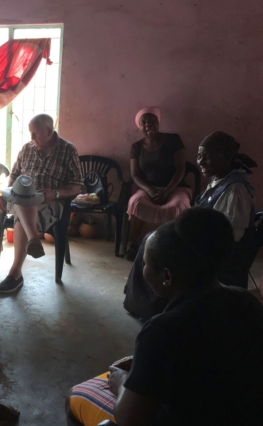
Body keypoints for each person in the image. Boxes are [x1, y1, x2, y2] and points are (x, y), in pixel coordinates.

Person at [68, 208, 263, 426]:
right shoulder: (248, 302)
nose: (142, 269)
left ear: (166, 276)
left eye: (145, 263)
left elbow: (130, 419)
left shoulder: (163, 330)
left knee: (76, 396)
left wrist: (122, 382)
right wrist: (146, 363)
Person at [123, 131, 257, 320]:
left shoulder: (235, 189)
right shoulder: (220, 179)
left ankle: (154, 307)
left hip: (215, 252)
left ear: (226, 158)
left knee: (159, 251)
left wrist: (188, 241)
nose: (201, 162)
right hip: (204, 242)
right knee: (151, 241)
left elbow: (231, 236)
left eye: (207, 157)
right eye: (200, 156)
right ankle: (144, 303)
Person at [0, 114, 82, 293]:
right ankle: (32, 240)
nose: (31, 138)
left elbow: (76, 186)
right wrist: (3, 190)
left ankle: (15, 274)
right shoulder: (27, 148)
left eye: (35, 134)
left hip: (50, 200)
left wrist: (54, 193)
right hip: (21, 198)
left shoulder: (68, 150)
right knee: (21, 195)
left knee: (20, 211)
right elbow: (13, 174)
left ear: (49, 131)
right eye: (30, 134)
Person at [125, 107, 191, 260]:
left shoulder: (174, 140)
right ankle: (135, 245)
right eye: (144, 122)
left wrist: (167, 191)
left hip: (176, 187)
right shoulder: (136, 147)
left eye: (152, 120)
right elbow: (135, 175)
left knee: (177, 207)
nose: (149, 125)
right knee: (136, 203)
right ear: (139, 126)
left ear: (158, 122)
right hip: (149, 188)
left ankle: (174, 248)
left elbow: (181, 169)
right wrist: (150, 190)